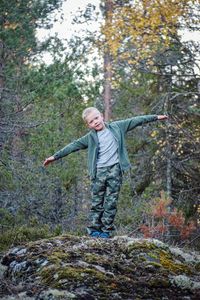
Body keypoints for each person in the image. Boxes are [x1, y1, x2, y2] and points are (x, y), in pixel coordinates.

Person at [43, 107, 168, 238]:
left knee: (111, 202)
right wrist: (55, 157)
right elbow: (73, 146)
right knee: (97, 202)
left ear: (101, 116)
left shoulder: (117, 127)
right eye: (91, 121)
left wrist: (155, 117)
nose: (95, 122)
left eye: (96, 118)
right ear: (88, 125)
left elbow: (136, 120)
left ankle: (106, 231)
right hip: (99, 173)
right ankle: (94, 230)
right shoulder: (90, 138)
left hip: (115, 171)